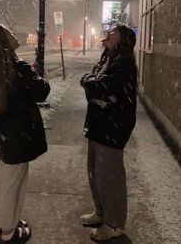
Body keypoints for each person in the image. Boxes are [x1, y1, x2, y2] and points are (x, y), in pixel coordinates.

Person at [0, 24, 50, 244]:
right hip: (18, 137)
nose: (14, 35)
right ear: (4, 42)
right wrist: (36, 74)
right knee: (14, 183)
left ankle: (4, 222)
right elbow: (42, 91)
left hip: (3, 137)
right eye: (9, 33)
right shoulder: (18, 68)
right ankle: (9, 233)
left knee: (4, 181)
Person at [80, 23, 137, 241]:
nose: (108, 33)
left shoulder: (123, 64)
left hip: (112, 127)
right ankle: (101, 212)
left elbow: (98, 87)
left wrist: (89, 83)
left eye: (113, 32)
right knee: (95, 173)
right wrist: (91, 83)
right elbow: (94, 82)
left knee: (110, 177)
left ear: (122, 39)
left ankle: (114, 224)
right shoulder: (109, 58)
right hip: (99, 124)